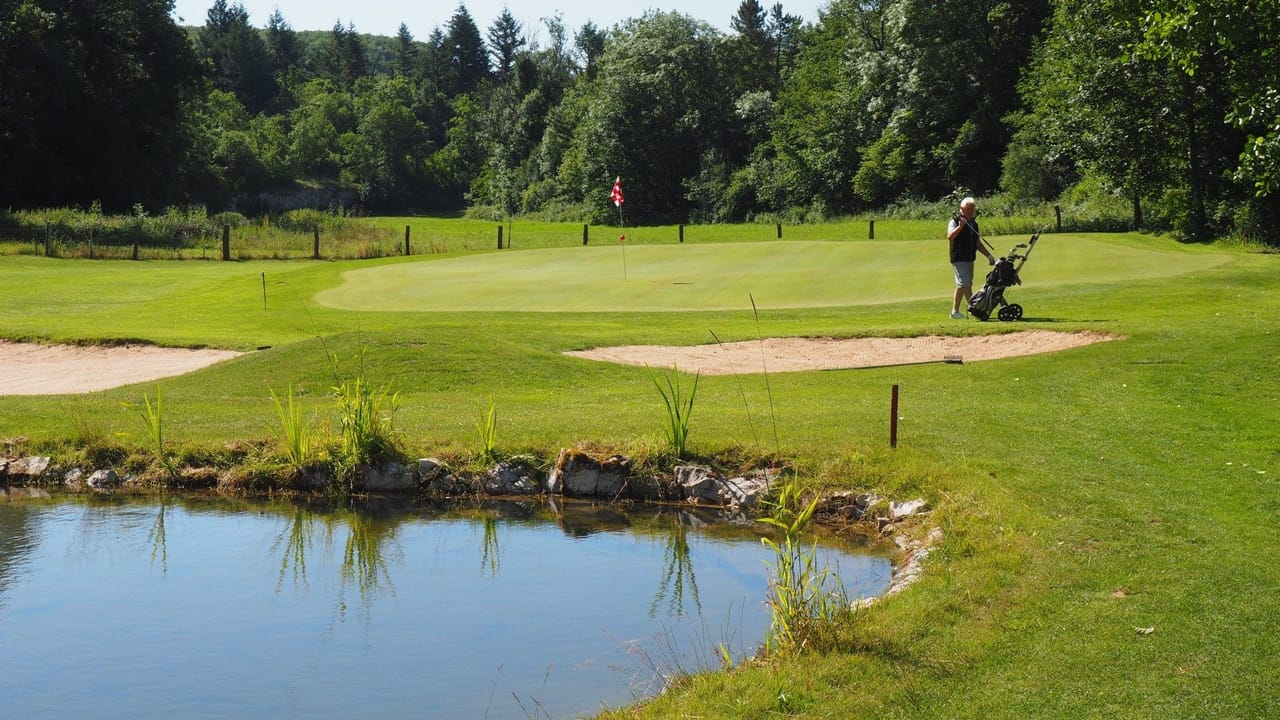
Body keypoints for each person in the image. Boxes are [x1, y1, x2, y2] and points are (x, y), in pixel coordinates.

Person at [946, 197, 995, 319]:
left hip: (969, 257)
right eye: (967, 209)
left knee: (967, 286)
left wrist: (988, 255)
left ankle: (974, 310)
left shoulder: (974, 224)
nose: (970, 212)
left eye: (972, 209)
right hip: (959, 257)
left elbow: (977, 243)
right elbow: (950, 237)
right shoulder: (955, 221)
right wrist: (960, 226)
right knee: (962, 284)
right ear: (961, 209)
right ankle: (955, 312)